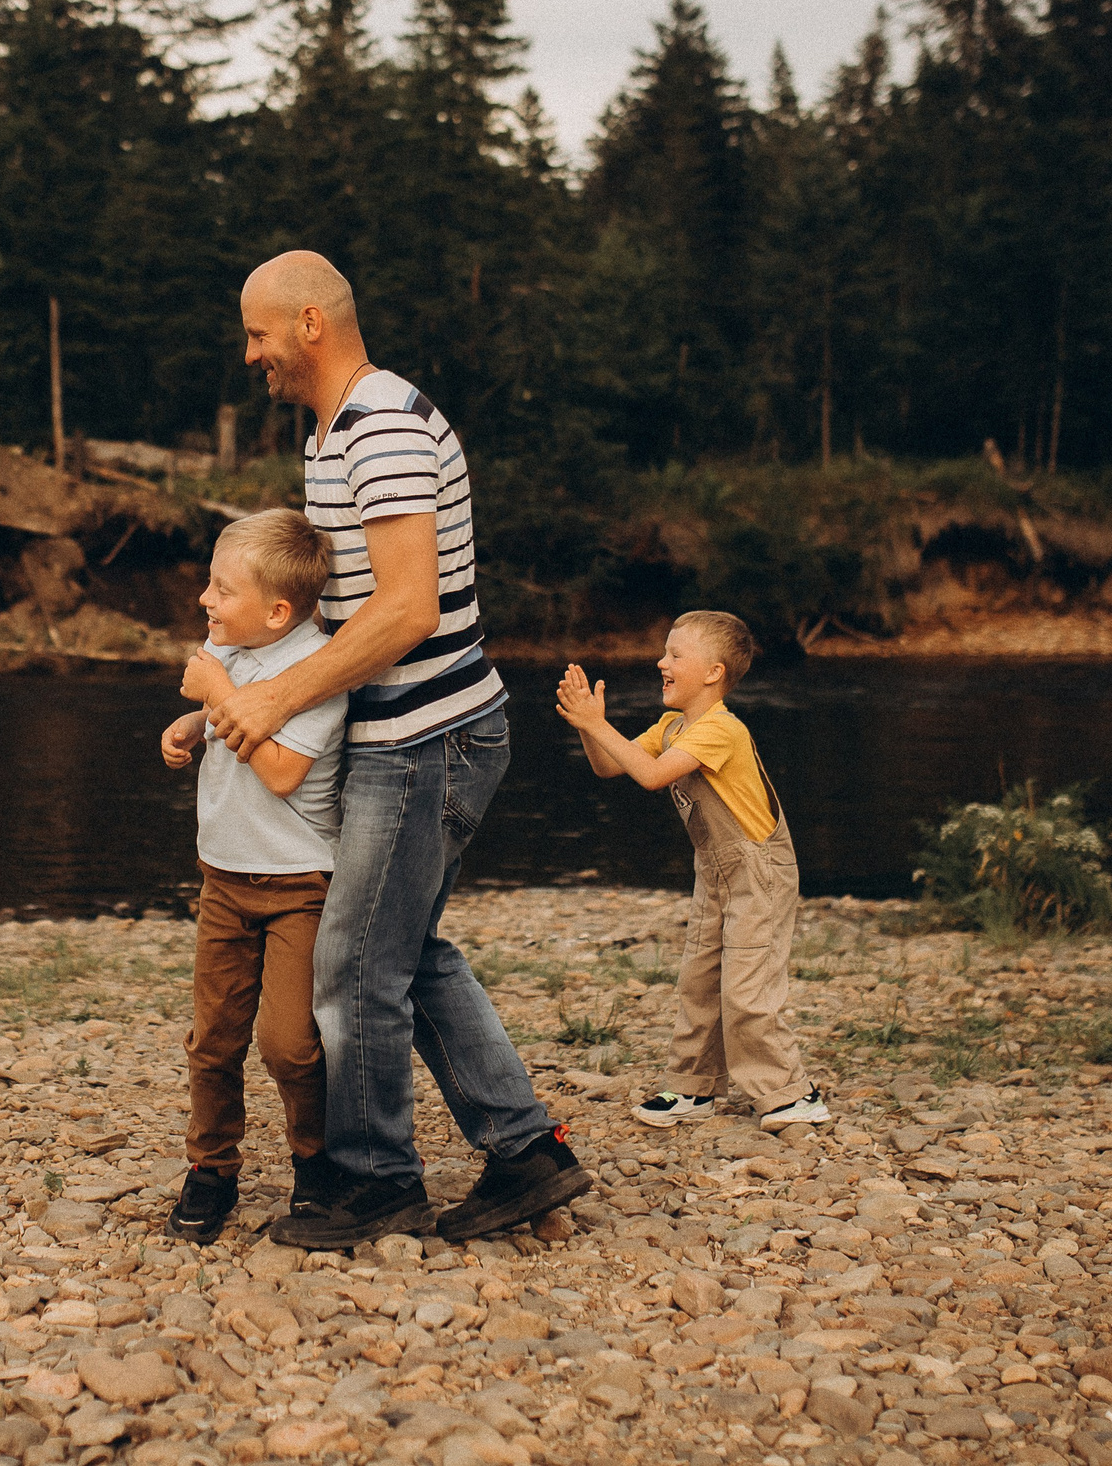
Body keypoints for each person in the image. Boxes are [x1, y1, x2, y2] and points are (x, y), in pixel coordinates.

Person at [206, 249, 592, 1249]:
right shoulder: (332, 436)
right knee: (401, 952)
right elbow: (333, 608)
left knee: (351, 973)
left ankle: (377, 1184)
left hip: (430, 737)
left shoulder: (380, 429)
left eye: (257, 334)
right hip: (407, 735)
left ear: (306, 325)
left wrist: (280, 695)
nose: (249, 355)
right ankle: (524, 1150)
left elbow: (408, 608)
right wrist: (241, 680)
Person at [554, 611, 830, 1133]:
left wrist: (598, 723)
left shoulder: (721, 729)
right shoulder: (672, 725)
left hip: (758, 869)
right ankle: (693, 1088)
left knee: (747, 986)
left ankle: (793, 1094)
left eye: (676, 654)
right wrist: (589, 727)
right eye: (665, 651)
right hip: (716, 868)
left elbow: (654, 776)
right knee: (699, 981)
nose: (662, 661)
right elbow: (610, 766)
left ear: (713, 673)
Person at [157, 509, 346, 1243]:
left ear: (278, 609)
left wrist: (211, 695)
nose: (206, 600)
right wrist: (186, 728)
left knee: (290, 1043)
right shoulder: (228, 645)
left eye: (221, 589)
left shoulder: (319, 670)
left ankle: (316, 1161)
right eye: (209, 583)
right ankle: (212, 1168)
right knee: (214, 1037)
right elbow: (222, 725)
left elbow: (279, 769)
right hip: (223, 880)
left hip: (298, 884)